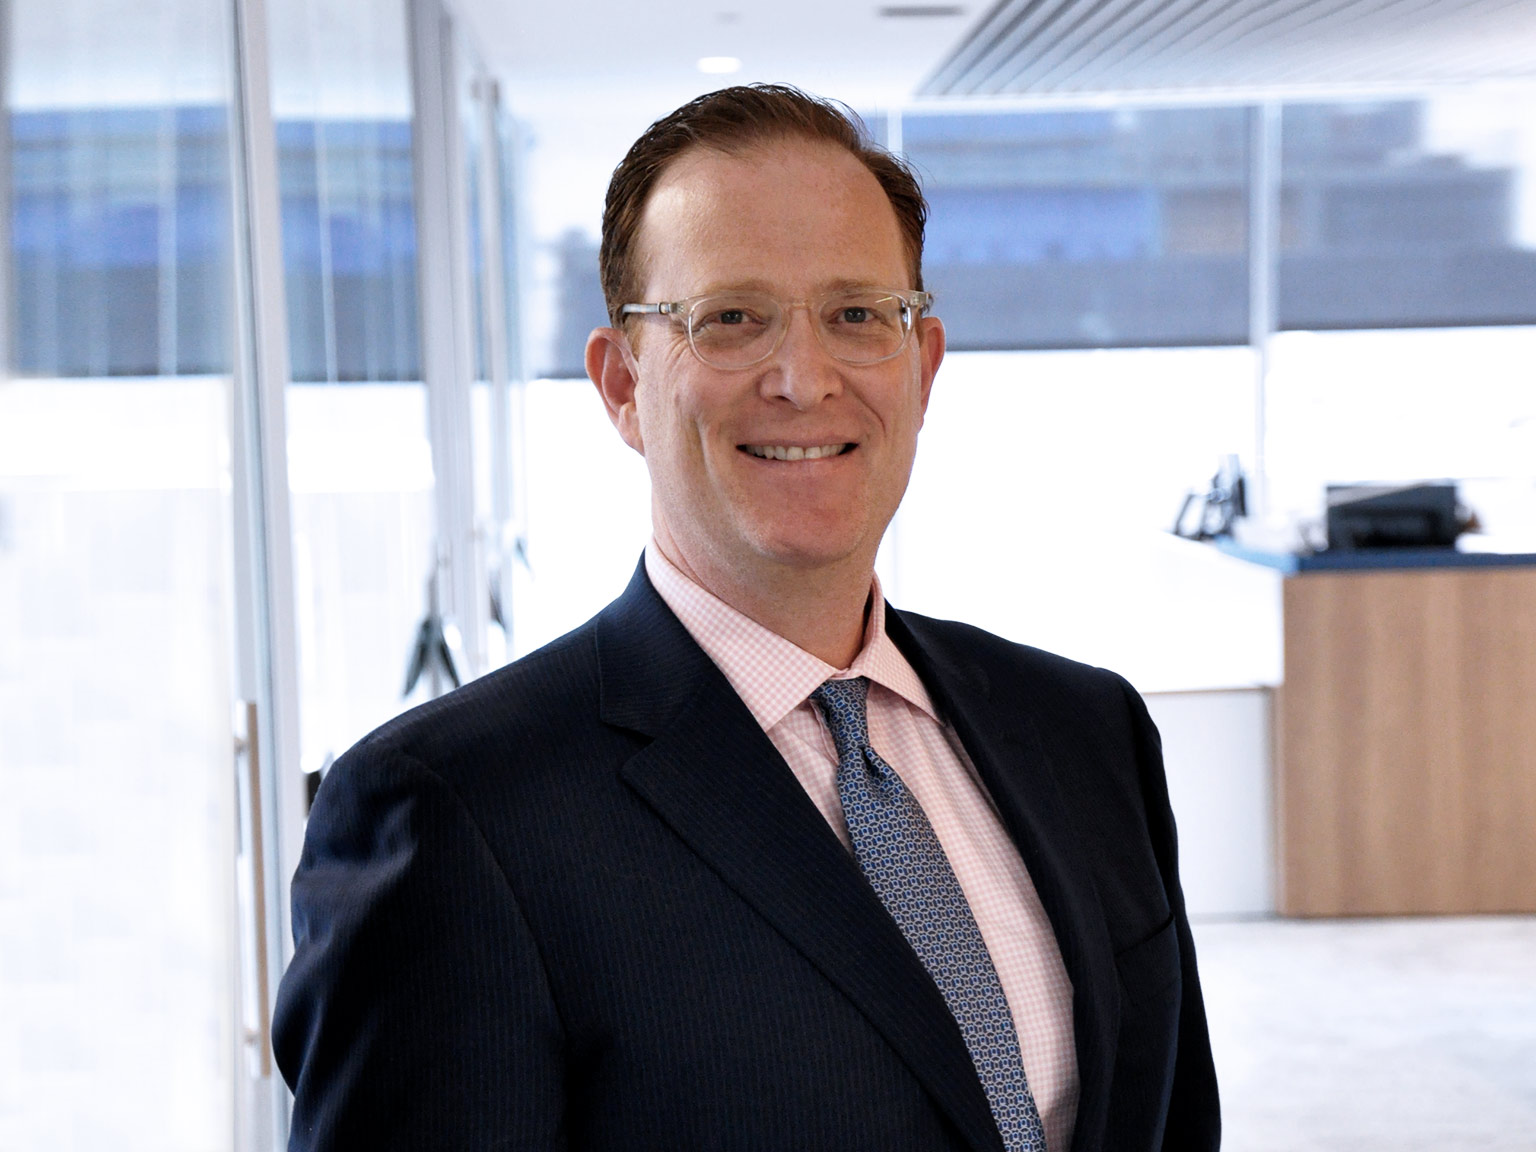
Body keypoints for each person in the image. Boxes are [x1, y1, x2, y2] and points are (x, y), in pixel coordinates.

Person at [273, 84, 1219, 1152]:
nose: (803, 380)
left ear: (923, 366)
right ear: (622, 384)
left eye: (858, 315)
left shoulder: (1087, 730)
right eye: (730, 319)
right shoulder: (456, 814)